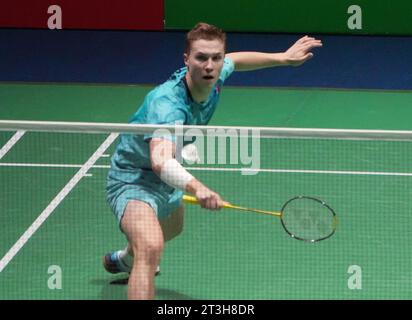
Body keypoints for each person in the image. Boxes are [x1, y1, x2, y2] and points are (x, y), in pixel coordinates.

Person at [104, 22, 322, 300]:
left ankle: (124, 259)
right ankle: (137, 255)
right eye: (201, 58)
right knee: (151, 245)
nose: (209, 65)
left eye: (215, 58)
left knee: (171, 230)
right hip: (134, 179)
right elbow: (159, 160)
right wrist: (198, 188)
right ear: (186, 60)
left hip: (168, 179)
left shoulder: (215, 74)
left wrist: (282, 58)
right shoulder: (167, 104)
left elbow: (236, 60)